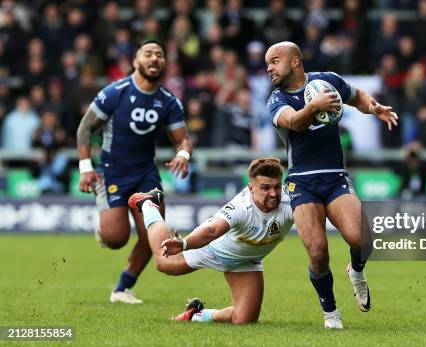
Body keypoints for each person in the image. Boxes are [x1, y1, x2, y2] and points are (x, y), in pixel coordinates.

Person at [264, 41, 399, 329]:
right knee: (318, 252)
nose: (269, 68)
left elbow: (357, 95)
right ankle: (331, 313)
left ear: (295, 61)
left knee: (362, 238)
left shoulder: (328, 81)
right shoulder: (276, 99)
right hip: (301, 182)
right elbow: (295, 123)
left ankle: (357, 272)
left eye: (275, 61)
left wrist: (374, 108)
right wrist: (314, 106)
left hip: (335, 175)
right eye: (267, 64)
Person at [76, 39, 192, 304]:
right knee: (115, 238)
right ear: (135, 62)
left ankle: (122, 288)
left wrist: (183, 154)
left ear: (164, 63)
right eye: (148, 54)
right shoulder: (115, 92)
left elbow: (182, 139)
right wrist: (85, 168)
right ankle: (106, 228)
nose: (154, 59)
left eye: (159, 55)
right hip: (112, 172)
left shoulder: (169, 102)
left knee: (154, 234)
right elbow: (85, 128)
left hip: (145, 175)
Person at [128, 157, 293, 324]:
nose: (273, 193)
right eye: (265, 188)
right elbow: (211, 231)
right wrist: (184, 244)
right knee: (163, 263)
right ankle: (149, 204)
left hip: (247, 260)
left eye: (277, 187)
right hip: (212, 249)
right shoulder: (241, 207)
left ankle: (195, 315)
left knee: (244, 320)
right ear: (251, 188)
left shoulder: (291, 201)